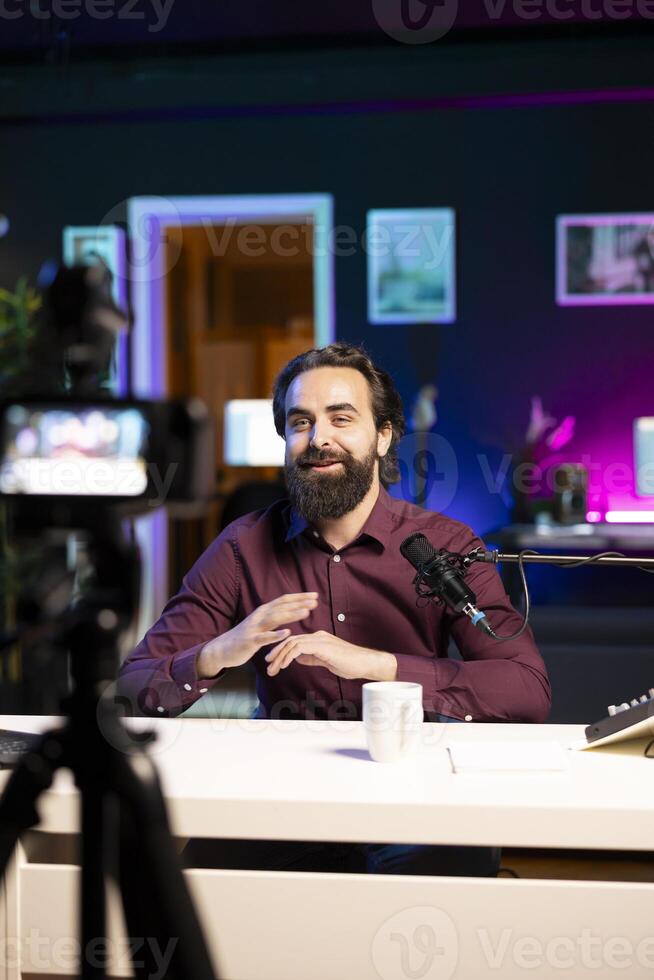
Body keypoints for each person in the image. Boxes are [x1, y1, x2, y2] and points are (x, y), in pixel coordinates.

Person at [118, 342, 551, 876]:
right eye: (301, 422)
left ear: (384, 434)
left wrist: (380, 667)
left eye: (341, 419)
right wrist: (217, 652)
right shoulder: (241, 547)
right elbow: (134, 688)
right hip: (283, 795)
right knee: (199, 901)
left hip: (418, 788)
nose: (318, 439)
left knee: (427, 914)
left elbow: (526, 688)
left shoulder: (447, 544)